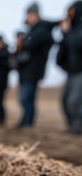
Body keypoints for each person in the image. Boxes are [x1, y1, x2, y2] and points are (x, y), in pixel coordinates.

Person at [15, 3, 57, 127]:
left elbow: (32, 45)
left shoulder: (41, 30)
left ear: (34, 14)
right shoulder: (32, 31)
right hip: (26, 70)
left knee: (26, 98)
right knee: (25, 99)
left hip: (33, 70)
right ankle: (25, 121)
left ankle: (28, 123)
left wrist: (25, 43)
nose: (27, 18)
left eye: (29, 15)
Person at [57, 1, 82, 134]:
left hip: (80, 71)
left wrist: (66, 33)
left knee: (74, 101)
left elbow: (78, 44)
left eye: (71, 12)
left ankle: (78, 127)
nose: (69, 15)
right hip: (71, 71)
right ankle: (72, 126)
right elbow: (64, 50)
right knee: (64, 100)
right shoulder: (72, 30)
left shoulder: (78, 30)